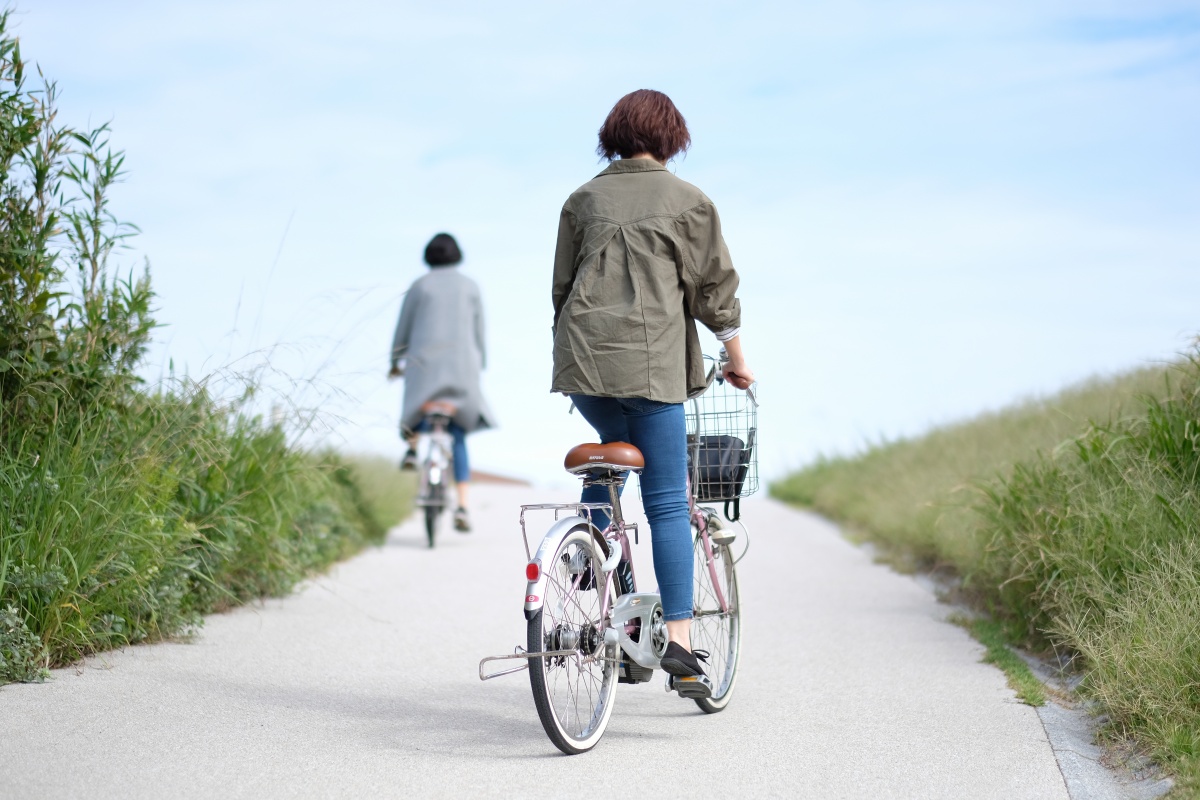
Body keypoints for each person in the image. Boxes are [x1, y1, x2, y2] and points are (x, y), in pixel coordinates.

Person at [551, 90, 754, 693]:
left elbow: (561, 291)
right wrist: (737, 362)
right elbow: (713, 294)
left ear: (613, 134)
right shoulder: (689, 202)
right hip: (652, 370)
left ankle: (588, 545)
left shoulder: (581, 200)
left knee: (612, 450)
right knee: (666, 497)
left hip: (584, 368)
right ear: (672, 138)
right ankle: (683, 650)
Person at [390, 233, 495, 532]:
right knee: (458, 433)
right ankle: (462, 505)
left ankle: (412, 448)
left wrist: (393, 363)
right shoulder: (471, 286)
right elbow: (480, 333)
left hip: (423, 367)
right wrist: (480, 365)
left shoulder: (419, 286)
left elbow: (403, 329)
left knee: (414, 405)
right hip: (463, 370)